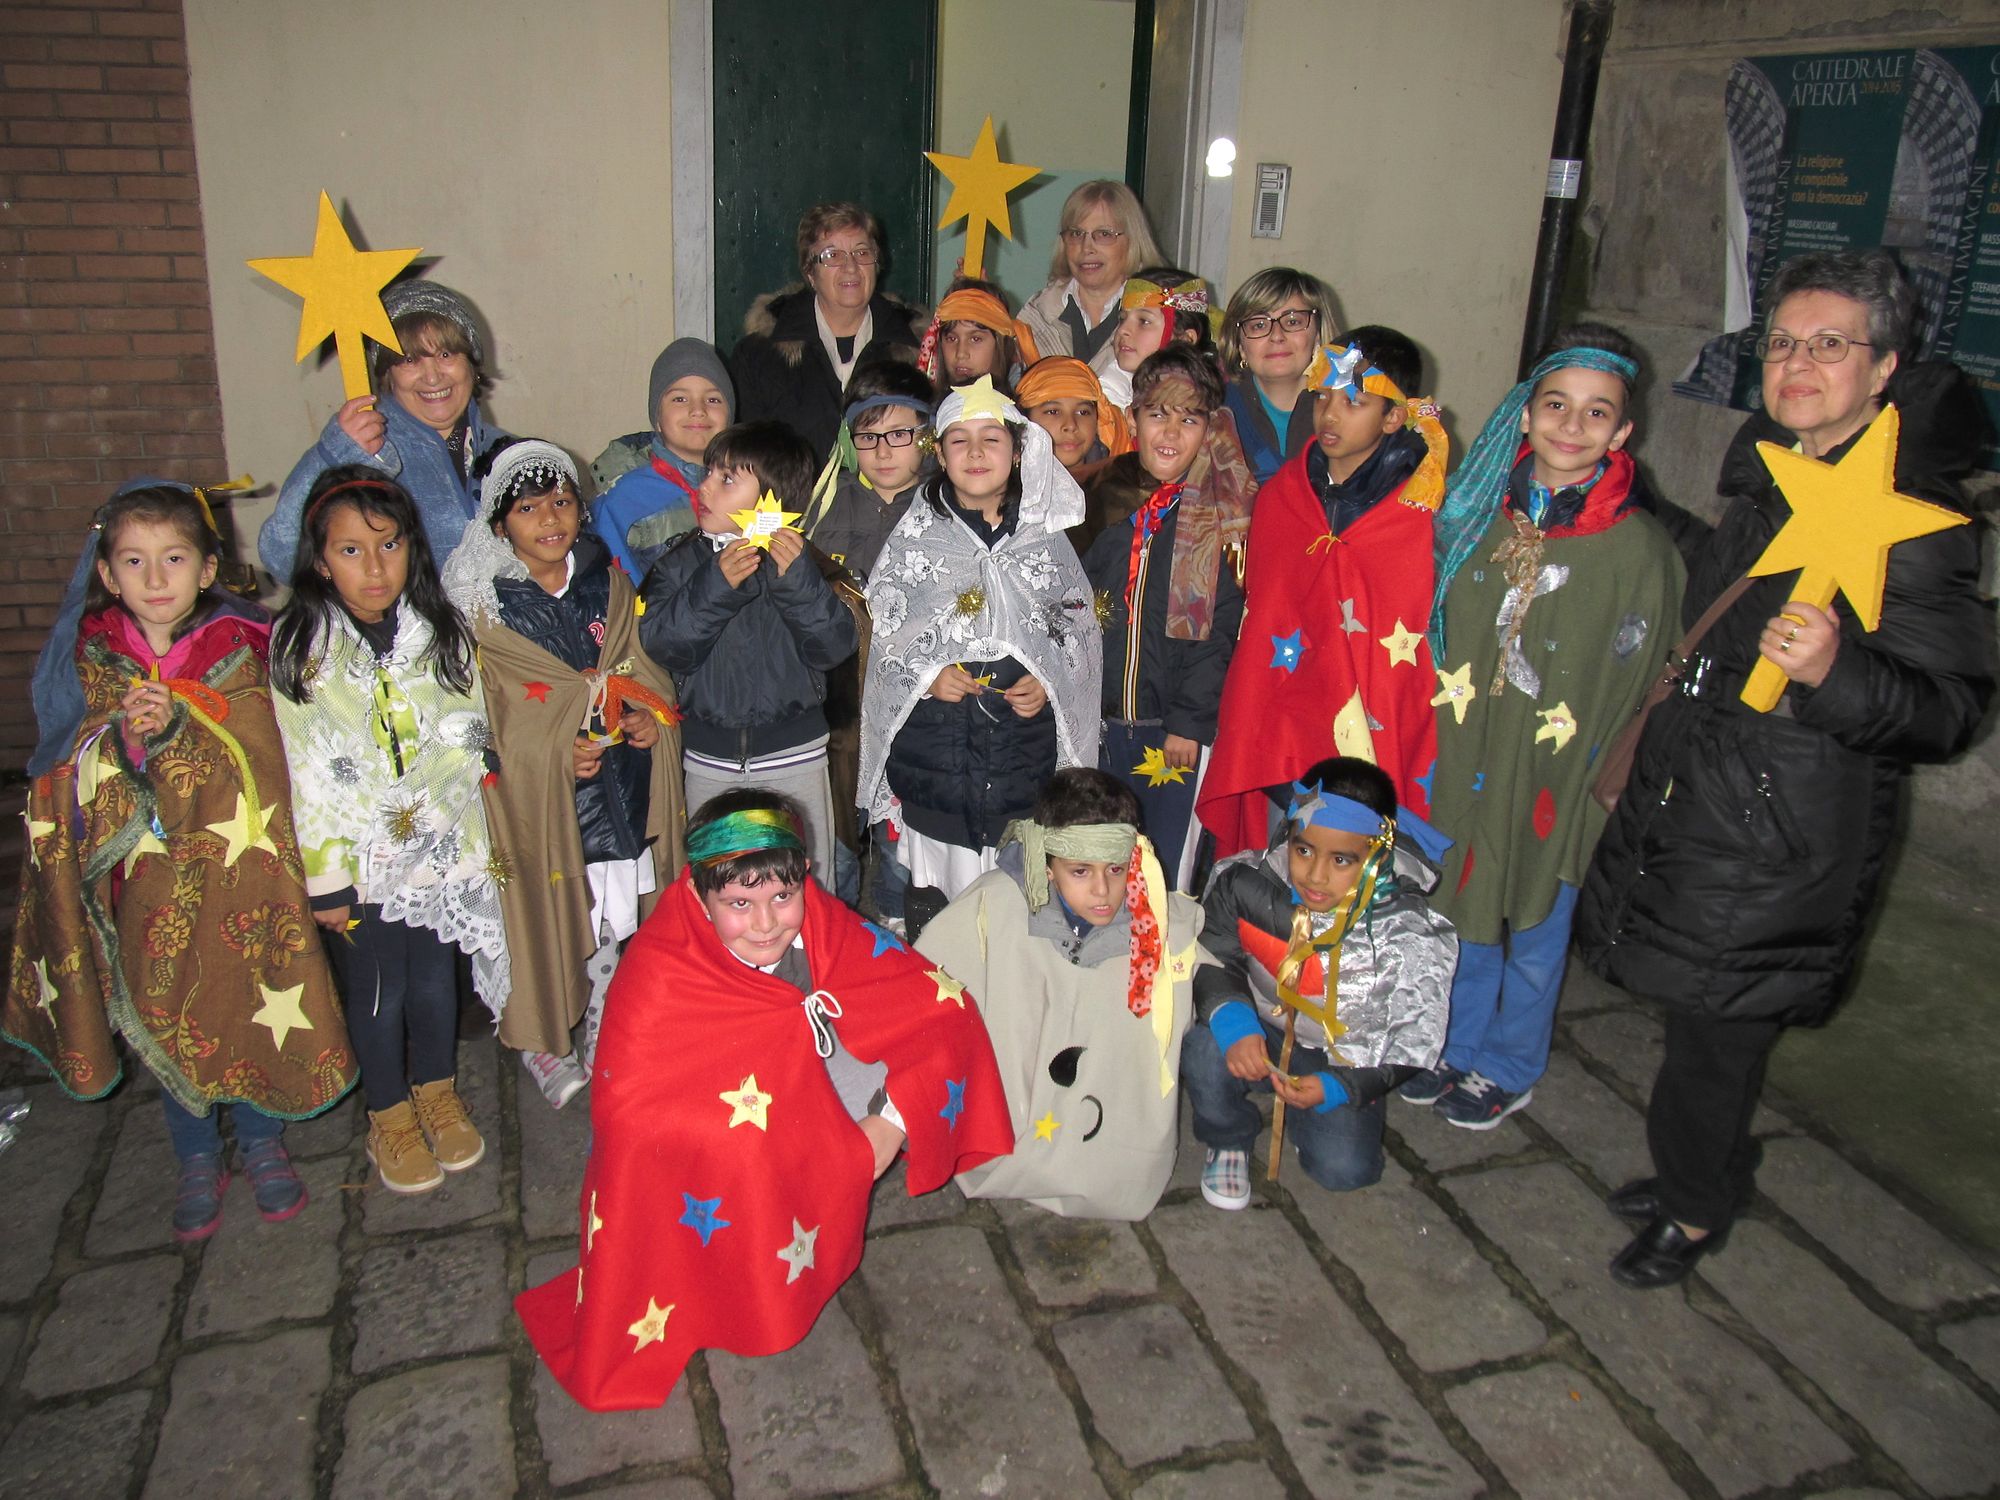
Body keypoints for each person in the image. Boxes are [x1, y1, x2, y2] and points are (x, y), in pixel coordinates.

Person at [1574, 249, 1995, 1289]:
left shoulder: (1913, 520)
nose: (1796, 363)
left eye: (1828, 344)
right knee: (1696, 1026)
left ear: (1884, 367)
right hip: (1712, 796)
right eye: (1781, 343)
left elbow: (1948, 710)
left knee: (1713, 1042)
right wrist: (1624, 502)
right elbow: (1722, 594)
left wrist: (1837, 672)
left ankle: (1693, 1207)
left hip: (1782, 831)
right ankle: (1699, 1175)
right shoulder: (1780, 471)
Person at [514, 790, 1012, 1412]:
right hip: (715, 1143)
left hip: (809, 1080)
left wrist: (890, 1119)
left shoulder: (820, 924)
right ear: (699, 898)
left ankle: (806, 1210)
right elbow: (631, 1115)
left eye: (782, 896)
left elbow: (932, 1006)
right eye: (739, 904)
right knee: (747, 1145)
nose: (768, 922)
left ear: (804, 878)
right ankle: (746, 1278)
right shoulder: (658, 970)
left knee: (916, 1042)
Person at [5, 481, 354, 1241]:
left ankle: (261, 1142)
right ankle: (195, 1151)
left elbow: (270, 759)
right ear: (107, 573)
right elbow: (72, 763)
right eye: (134, 561)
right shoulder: (95, 656)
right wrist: (128, 743)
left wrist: (181, 734)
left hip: (241, 878)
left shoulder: (242, 649)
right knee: (162, 1008)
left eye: (173, 559)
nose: (154, 580)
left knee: (253, 992)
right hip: (148, 883)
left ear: (207, 570)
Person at [1404, 326, 1684, 1130]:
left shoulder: (1639, 551)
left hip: (1560, 769)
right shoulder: (1471, 516)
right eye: (1556, 405)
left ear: (1623, 432)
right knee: (1463, 901)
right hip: (1470, 750)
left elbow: (1639, 674)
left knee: (1534, 916)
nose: (1572, 425)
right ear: (1525, 415)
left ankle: (1510, 1061)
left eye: (1597, 414)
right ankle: (1456, 1043)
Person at [270, 467, 511, 1195]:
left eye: (389, 545)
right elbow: (307, 772)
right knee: (379, 992)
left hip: (442, 847)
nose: (374, 569)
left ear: (412, 547)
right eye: (350, 551)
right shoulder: (301, 644)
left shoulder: (441, 630)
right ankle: (388, 1110)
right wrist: (328, 881)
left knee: (437, 983)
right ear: (319, 560)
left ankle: (435, 1088)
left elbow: (467, 733)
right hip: (360, 862)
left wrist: (433, 821)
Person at [442, 440, 686, 1109]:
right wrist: (553, 750)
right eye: (529, 508)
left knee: (611, 920)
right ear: (500, 525)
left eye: (563, 501)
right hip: (541, 806)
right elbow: (487, 713)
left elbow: (638, 667)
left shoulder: (606, 581)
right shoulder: (487, 609)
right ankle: (544, 1041)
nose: (551, 517)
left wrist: (644, 718)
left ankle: (606, 1029)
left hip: (617, 789)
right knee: (543, 922)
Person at [1197, 328, 1451, 859]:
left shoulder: (1419, 517)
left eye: (1354, 402)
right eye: (1324, 397)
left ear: (1393, 417)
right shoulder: (1284, 497)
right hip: (1282, 728)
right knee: (1279, 871)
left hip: (1370, 737)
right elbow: (1264, 619)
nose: (1331, 414)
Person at [857, 376, 1102, 924]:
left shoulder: (1045, 540)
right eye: (959, 439)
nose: (974, 453)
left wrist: (1049, 684)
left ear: (1017, 453)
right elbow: (889, 646)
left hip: (1021, 769)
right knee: (940, 909)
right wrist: (927, 680)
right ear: (938, 452)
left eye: (991, 438)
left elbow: (1075, 640)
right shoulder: (916, 541)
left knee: (1015, 909)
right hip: (939, 770)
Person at [916, 769, 1203, 1220]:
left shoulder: (1156, 917)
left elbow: (1201, 957)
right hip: (1022, 1101)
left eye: (1115, 868)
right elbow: (929, 980)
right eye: (1080, 871)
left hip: (1111, 1115)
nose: (1103, 891)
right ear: (1047, 866)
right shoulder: (994, 904)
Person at [1183, 757, 1456, 1209]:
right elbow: (1216, 953)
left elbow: (1409, 1035)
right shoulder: (1245, 885)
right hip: (1262, 1028)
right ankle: (1228, 1135)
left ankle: (1314, 1103)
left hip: (1345, 1056)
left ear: (1376, 856)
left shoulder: (1404, 932)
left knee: (1344, 1171)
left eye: (1342, 860)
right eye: (1304, 849)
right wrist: (1235, 1023)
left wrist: (1340, 1086)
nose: (1315, 875)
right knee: (1203, 1047)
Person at [639, 421, 859, 887]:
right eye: (708, 475)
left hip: (794, 754)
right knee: (718, 879)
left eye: (726, 479)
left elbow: (835, 646)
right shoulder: (679, 564)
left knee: (805, 878)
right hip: (709, 757)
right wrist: (714, 586)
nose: (705, 489)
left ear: (770, 500)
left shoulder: (806, 564)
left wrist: (795, 579)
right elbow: (664, 647)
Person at [1079, 346, 1252, 887]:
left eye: (1189, 418)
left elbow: (1220, 630)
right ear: (1132, 418)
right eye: (1158, 414)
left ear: (1211, 427)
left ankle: (1164, 963)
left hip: (1169, 733)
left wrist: (1189, 721)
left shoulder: (1221, 516)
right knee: (1097, 854)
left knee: (1163, 866)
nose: (1171, 432)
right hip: (1098, 726)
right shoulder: (1097, 500)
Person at [260, 281, 502, 579]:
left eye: (446, 355)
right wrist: (334, 457)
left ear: (472, 365)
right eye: (410, 360)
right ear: (388, 375)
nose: (433, 376)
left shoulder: (513, 453)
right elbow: (283, 559)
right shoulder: (362, 455)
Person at [730, 201, 926, 459]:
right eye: (832, 255)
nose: (850, 267)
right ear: (810, 272)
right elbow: (748, 459)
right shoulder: (757, 355)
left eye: (862, 253)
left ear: (877, 264)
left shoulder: (920, 350)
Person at [590, 338, 735, 581]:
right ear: (657, 417)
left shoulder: (750, 486)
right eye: (679, 399)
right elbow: (621, 599)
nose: (698, 410)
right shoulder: (623, 501)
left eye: (713, 399)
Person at [801, 360, 937, 584]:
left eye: (898, 435)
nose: (882, 452)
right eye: (868, 437)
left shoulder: (944, 507)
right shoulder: (825, 505)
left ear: (927, 435)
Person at [1019, 181, 1164, 380]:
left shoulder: (1159, 318)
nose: (1086, 248)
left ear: (1132, 241)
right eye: (1076, 234)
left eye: (1104, 234)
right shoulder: (1035, 314)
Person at [1219, 267, 1341, 483]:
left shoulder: (1351, 409)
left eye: (1293, 321)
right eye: (1258, 325)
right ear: (1239, 345)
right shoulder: (1215, 409)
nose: (1277, 336)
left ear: (1318, 334)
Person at [1103, 268, 1222, 410]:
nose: (1122, 330)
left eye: (1144, 321)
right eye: (1122, 319)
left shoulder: (1209, 402)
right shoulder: (1107, 396)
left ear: (1185, 339)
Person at [918, 277, 1038, 397]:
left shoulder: (1021, 410)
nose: (961, 353)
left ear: (1000, 344)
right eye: (951, 339)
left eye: (975, 339)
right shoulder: (925, 410)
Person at [1017, 356, 1131, 481]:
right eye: (1053, 412)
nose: (1071, 425)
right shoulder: (1001, 487)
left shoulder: (1122, 485)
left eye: (1083, 412)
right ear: (1024, 420)